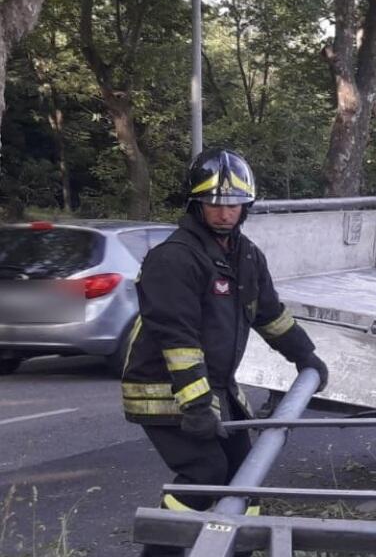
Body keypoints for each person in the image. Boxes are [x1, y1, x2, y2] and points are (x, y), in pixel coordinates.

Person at [120, 148, 328, 556]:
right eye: (214, 203)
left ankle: (239, 550)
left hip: (214, 387)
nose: (224, 213)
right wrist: (196, 405)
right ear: (196, 203)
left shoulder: (246, 255)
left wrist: (306, 357)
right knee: (205, 472)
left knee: (244, 476)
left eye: (233, 204)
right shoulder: (174, 258)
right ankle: (160, 550)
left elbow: (270, 315)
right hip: (163, 388)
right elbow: (177, 339)